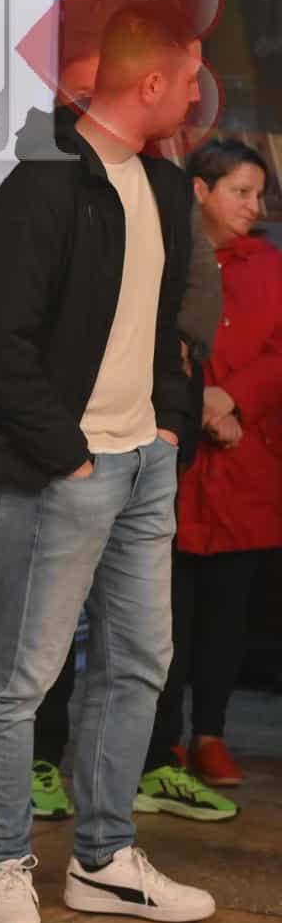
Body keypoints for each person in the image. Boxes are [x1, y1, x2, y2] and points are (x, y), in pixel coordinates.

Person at [0, 4, 216, 923]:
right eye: (187, 82)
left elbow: (170, 326)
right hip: (62, 467)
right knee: (20, 677)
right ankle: (1, 865)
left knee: (139, 661)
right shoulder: (42, 184)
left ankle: (104, 859)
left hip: (145, 458)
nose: (195, 98)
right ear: (149, 83)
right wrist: (66, 451)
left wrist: (169, 428)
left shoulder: (164, 184)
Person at [139, 140, 282, 818]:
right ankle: (162, 737)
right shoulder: (166, 255)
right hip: (177, 451)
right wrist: (200, 402)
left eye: (259, 194)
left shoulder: (272, 266)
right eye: (241, 192)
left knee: (229, 606)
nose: (255, 206)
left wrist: (234, 401)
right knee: (167, 608)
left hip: (246, 455)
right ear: (201, 190)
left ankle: (212, 733)